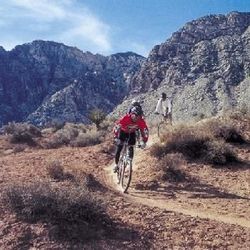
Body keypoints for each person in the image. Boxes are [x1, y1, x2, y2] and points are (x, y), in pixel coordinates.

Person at [113, 106, 149, 173]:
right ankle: (116, 165)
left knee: (131, 146)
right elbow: (117, 127)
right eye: (135, 116)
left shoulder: (141, 121)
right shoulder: (125, 118)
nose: (136, 118)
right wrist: (115, 137)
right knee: (119, 148)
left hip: (131, 133)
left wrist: (144, 141)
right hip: (123, 133)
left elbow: (144, 131)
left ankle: (129, 163)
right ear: (132, 114)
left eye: (139, 117)